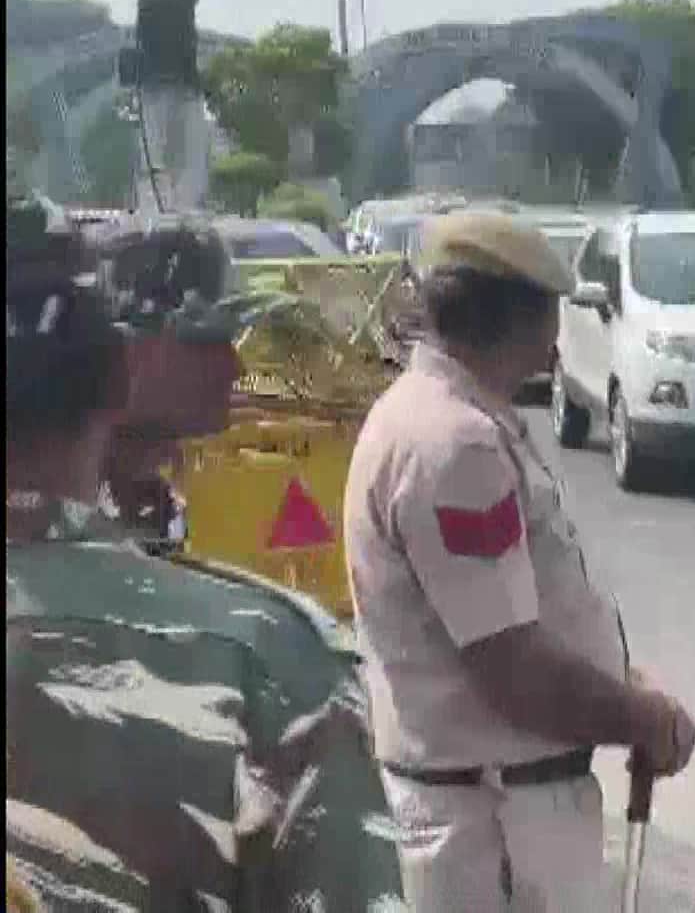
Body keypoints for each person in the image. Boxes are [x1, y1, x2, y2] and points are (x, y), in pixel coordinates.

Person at [5, 196, 407, 909]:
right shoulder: (263, 651)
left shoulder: (174, 508)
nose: (232, 363)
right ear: (123, 362)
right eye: (204, 337)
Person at [344, 209, 695, 911]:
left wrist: (618, 678)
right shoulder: (455, 446)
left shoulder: (443, 416)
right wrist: (641, 719)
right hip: (498, 827)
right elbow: (510, 667)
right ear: (524, 320)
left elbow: (515, 611)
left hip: (495, 811)